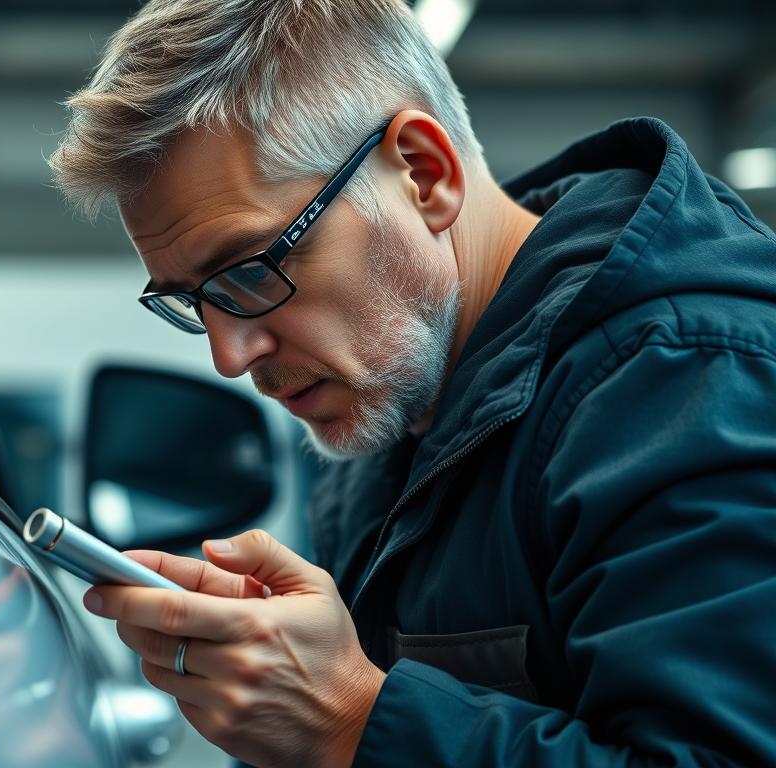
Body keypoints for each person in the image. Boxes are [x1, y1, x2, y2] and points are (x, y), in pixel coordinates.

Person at [48, 0, 776, 766]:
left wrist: (354, 719)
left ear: (425, 176)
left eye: (252, 272)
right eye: (194, 301)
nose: (230, 356)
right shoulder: (392, 407)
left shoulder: (690, 380)